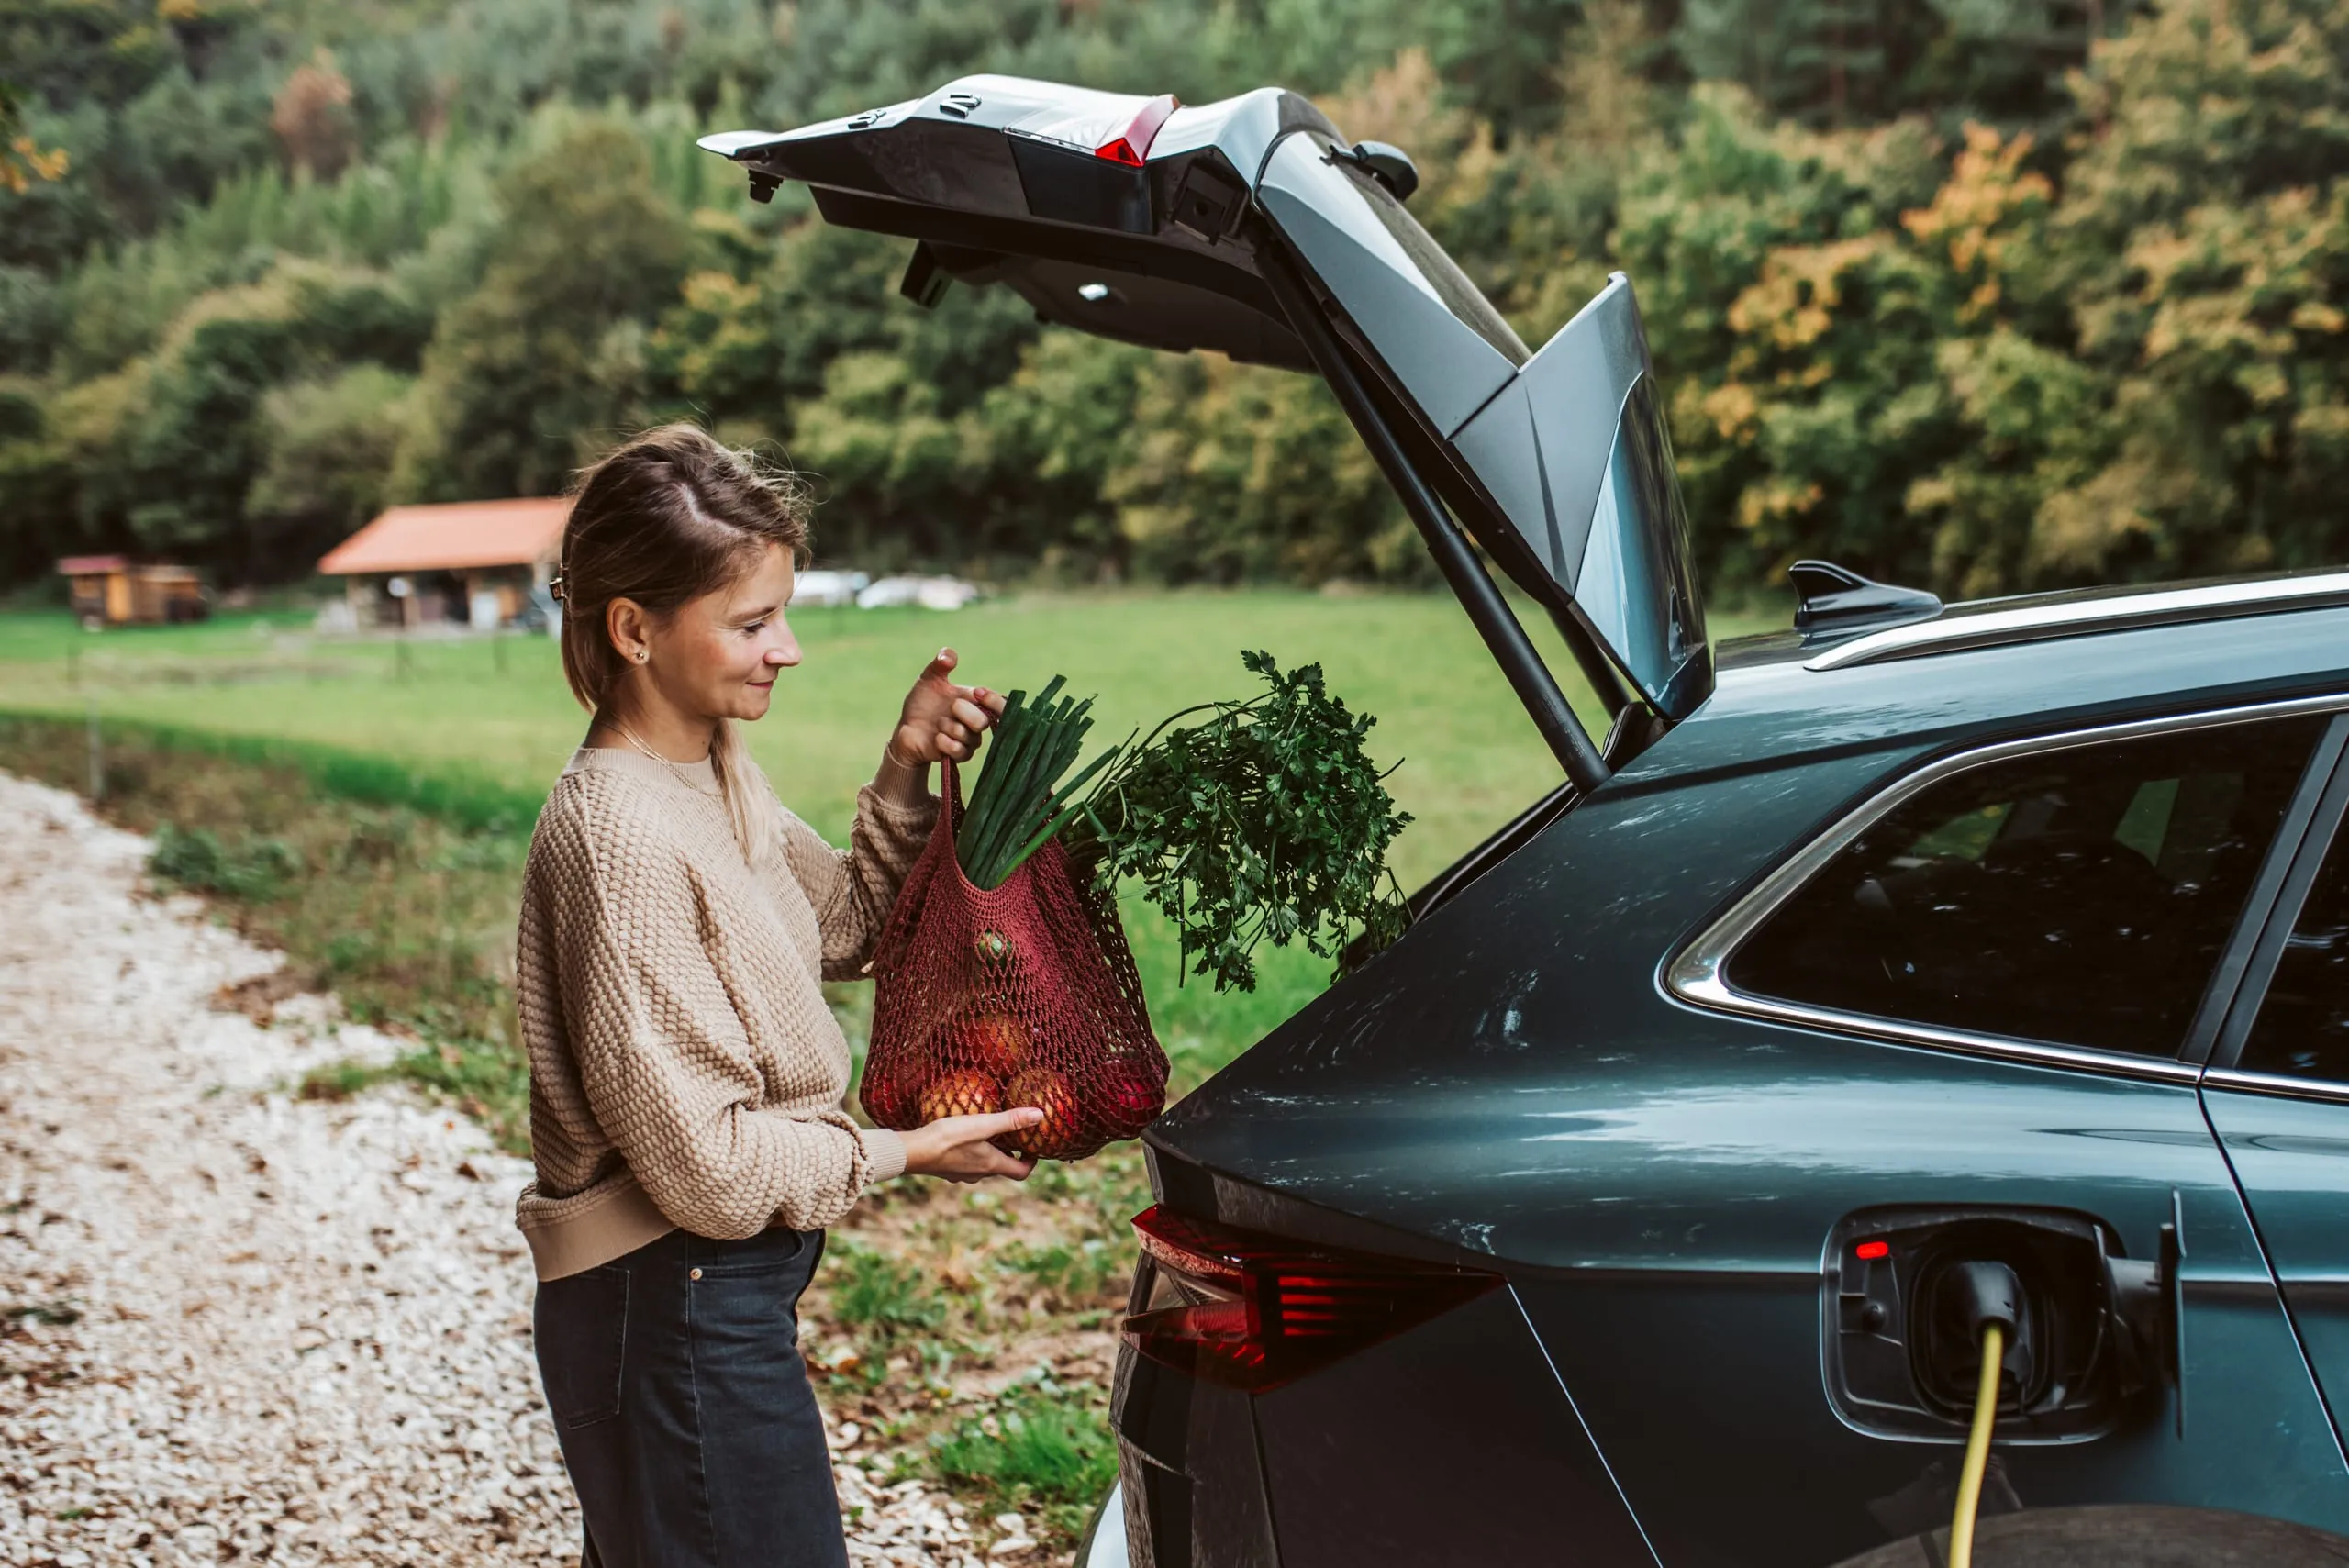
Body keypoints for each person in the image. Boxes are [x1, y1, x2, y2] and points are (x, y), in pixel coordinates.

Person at [513, 424, 1037, 1567]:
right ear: (635, 628)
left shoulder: (702, 772)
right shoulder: (622, 834)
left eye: (780, 613)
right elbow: (709, 1168)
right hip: (668, 1298)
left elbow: (844, 927)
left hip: (699, 1293)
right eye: (751, 623)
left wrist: (903, 762)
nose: (785, 648)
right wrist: (901, 1149)